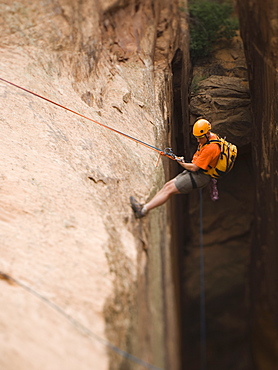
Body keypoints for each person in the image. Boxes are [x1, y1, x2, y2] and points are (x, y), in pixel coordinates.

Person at [130, 118, 221, 218]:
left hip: (200, 176)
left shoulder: (211, 148)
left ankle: (143, 210)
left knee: (169, 189)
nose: (198, 140)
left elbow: (194, 167)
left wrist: (181, 163)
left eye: (200, 138)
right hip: (198, 172)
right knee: (167, 186)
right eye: (197, 137)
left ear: (207, 134)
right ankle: (144, 206)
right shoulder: (212, 138)